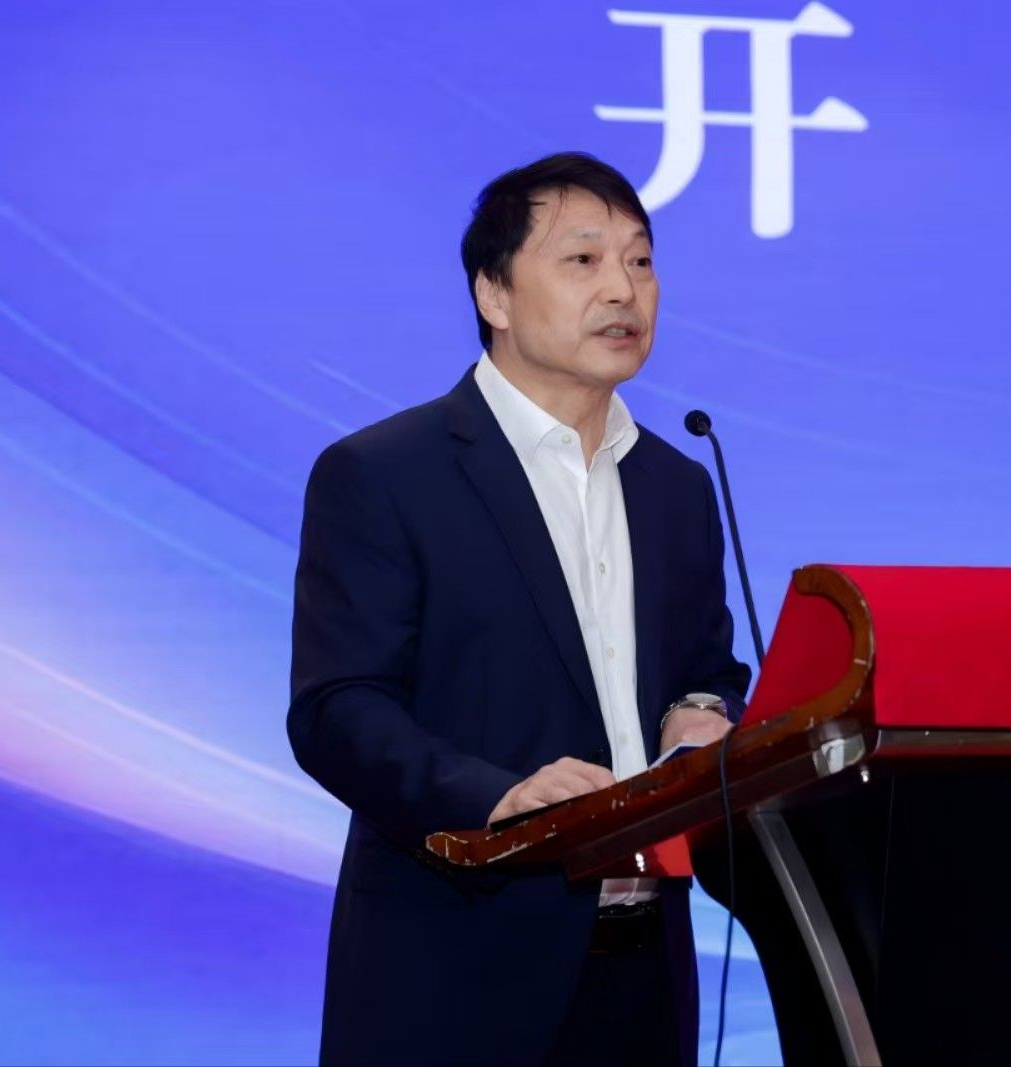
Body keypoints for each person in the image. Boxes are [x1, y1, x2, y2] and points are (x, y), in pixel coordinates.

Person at [287, 152, 752, 1066]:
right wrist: (494, 797)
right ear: (493, 294)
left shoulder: (676, 485)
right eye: (583, 260)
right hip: (456, 970)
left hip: (645, 970)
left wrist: (702, 710)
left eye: (641, 260)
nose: (622, 288)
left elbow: (706, 667)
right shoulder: (384, 474)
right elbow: (338, 708)